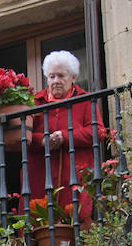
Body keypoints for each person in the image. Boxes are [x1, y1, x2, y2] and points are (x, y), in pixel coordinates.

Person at [26, 50, 106, 224]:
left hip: (75, 173)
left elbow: (98, 132)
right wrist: (43, 140)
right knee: (37, 218)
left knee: (77, 216)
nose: (56, 81)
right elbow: (24, 137)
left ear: (73, 77)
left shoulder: (85, 100)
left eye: (61, 76)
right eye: (51, 76)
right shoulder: (35, 103)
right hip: (41, 173)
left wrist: (65, 136)